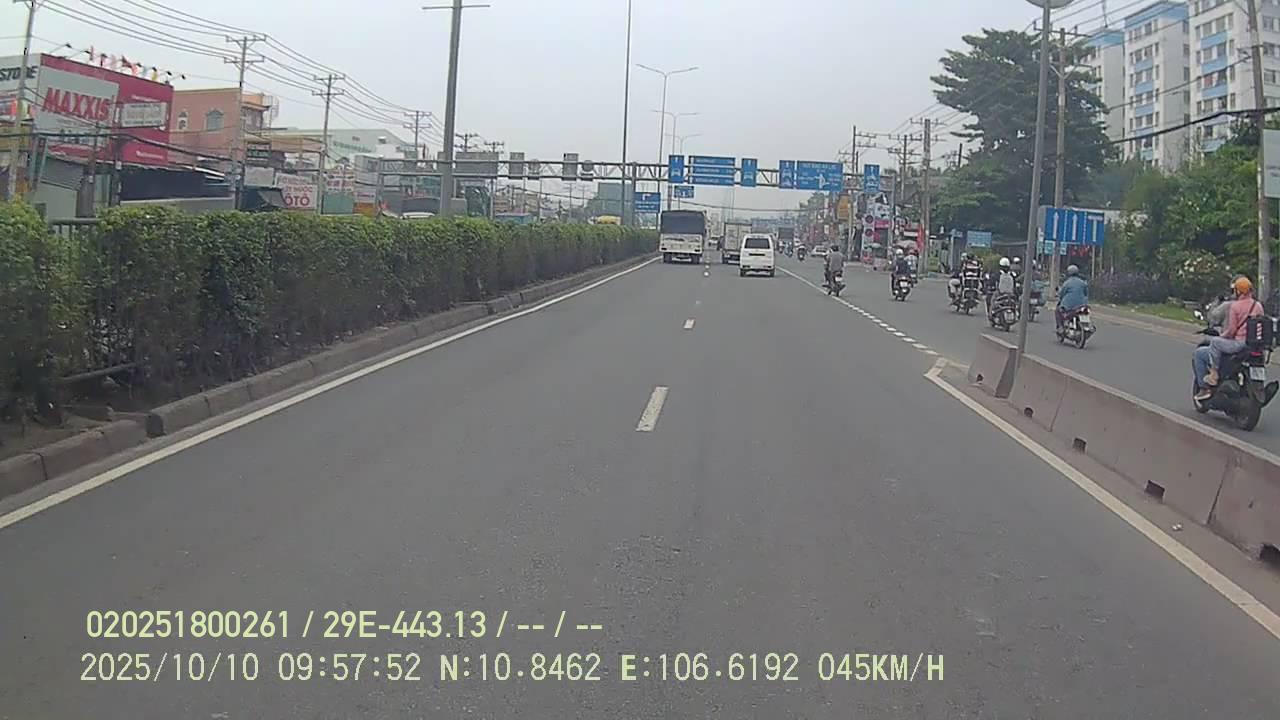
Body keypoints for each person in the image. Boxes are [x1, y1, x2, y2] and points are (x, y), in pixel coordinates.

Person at [1196, 276, 1265, 399]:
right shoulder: (1258, 305)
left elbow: (1232, 330)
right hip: (1254, 345)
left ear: (1238, 291)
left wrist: (1222, 337)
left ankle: (1214, 374)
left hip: (1239, 344)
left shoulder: (1235, 306)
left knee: (1215, 342)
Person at [1055, 265, 1089, 329]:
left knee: (1058, 310)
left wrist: (1060, 298)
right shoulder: (1082, 283)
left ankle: (1060, 327)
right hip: (1082, 306)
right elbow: (1086, 294)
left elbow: (1062, 294)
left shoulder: (1067, 283)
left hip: (1069, 307)